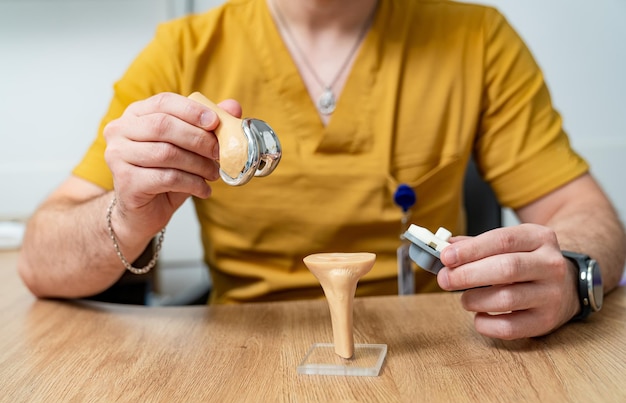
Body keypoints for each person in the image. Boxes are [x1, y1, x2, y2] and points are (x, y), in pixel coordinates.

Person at [18, 0, 626, 340]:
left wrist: (574, 277)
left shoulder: (478, 39)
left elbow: (586, 216)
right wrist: (126, 216)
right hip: (248, 358)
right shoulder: (181, 53)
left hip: (440, 350)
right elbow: (39, 260)